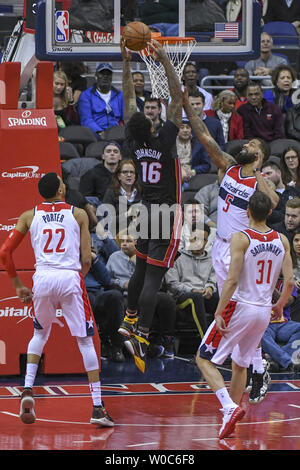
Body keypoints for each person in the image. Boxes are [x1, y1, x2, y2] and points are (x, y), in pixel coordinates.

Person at [183, 87, 279, 402]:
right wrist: (188, 108)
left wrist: (262, 175)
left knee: (239, 310)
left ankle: (256, 364)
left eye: (251, 144)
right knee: (240, 312)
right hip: (219, 246)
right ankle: (253, 364)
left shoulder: (256, 184)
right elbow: (205, 138)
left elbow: (275, 202)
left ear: (259, 155)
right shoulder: (229, 166)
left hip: (241, 251)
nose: (245, 144)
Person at [0, 172, 114, 427]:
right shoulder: (78, 214)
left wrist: (18, 285)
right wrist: (77, 279)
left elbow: (5, 252)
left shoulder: (29, 216)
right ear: (62, 190)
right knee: (85, 341)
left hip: (42, 278)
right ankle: (97, 407)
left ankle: (27, 389)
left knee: (39, 335)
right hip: (69, 277)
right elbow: (87, 259)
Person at [196, 191, 294, 439]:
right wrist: (280, 304)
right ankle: (231, 417)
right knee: (240, 365)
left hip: (239, 305)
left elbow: (231, 279)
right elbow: (290, 281)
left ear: (247, 212)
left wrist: (219, 310)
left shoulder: (241, 238)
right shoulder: (281, 239)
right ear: (270, 213)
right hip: (263, 310)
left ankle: (229, 407)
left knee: (203, 359)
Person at [118, 38, 183, 373]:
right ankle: (142, 336)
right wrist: (167, 62)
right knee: (154, 280)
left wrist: (126, 62)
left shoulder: (132, 143)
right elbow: (177, 100)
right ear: (153, 125)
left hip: (145, 212)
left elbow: (130, 100)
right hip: (166, 214)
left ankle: (128, 321)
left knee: (140, 271)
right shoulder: (165, 139)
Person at [107, 231, 177, 359]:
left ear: (138, 243)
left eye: (128, 241)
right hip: (125, 295)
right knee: (117, 301)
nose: (124, 244)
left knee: (166, 300)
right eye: (122, 241)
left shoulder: (151, 255)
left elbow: (159, 281)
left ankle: (166, 342)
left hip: (146, 293)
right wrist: (123, 283)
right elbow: (107, 279)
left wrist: (136, 262)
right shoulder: (114, 257)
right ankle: (125, 345)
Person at [165, 223, 219, 346]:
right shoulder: (176, 257)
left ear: (207, 242)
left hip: (203, 294)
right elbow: (172, 284)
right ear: (189, 238)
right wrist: (192, 289)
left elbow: (213, 279)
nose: (199, 243)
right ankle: (205, 345)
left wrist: (210, 288)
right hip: (181, 297)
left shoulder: (211, 259)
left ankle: (222, 344)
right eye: (196, 238)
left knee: (219, 299)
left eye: (203, 239)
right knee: (196, 298)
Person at [85, 243, 125, 363]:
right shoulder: (68, 257)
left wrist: (94, 259)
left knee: (115, 296)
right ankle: (97, 344)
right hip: (79, 292)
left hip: (97, 291)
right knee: (88, 300)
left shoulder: (92, 256)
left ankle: (116, 347)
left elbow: (106, 280)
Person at [261, 274, 300, 373]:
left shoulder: (289, 283)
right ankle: (287, 361)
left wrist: (270, 287)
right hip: (264, 323)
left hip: (283, 323)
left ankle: (275, 359)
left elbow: (286, 302)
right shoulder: (257, 281)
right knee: (258, 332)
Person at [77, 63, 124, 138]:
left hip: (116, 132)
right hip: (95, 133)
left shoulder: (119, 95)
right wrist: (100, 132)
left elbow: (125, 117)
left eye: (108, 74)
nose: (105, 76)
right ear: (96, 76)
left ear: (111, 77)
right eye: (102, 74)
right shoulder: (86, 95)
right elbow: (86, 120)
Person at [102, 159, 142, 235]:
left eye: (132, 172)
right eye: (125, 172)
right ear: (119, 176)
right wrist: (127, 214)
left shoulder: (142, 192)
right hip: (117, 235)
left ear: (135, 176)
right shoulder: (111, 193)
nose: (129, 175)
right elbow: (107, 221)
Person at [261, 159, 300, 226]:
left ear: (279, 172)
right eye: (263, 175)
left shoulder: (295, 191)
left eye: (269, 173)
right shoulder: (263, 195)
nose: (266, 177)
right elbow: (268, 215)